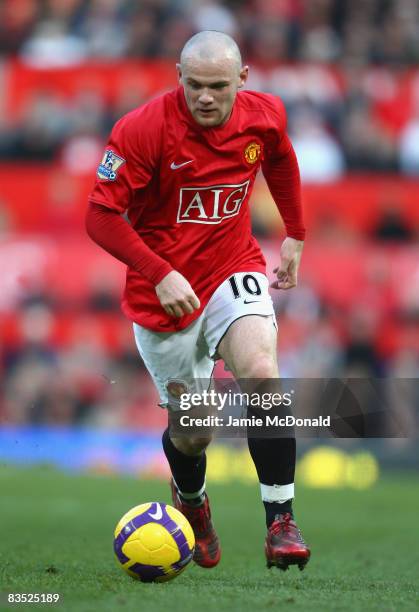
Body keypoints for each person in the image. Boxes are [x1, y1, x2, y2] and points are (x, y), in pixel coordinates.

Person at [86, 30, 310, 573]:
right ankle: (192, 503)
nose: (205, 97)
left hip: (232, 267)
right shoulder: (142, 130)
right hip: (162, 293)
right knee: (195, 429)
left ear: (243, 80)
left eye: (217, 86)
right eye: (194, 86)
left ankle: (281, 520)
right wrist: (159, 272)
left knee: (262, 372)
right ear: (178, 78)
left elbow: (279, 157)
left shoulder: (265, 115)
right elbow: (99, 216)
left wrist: (296, 232)